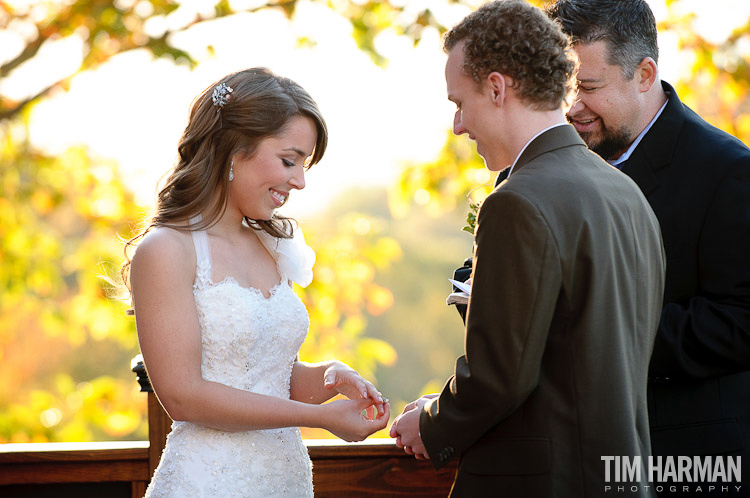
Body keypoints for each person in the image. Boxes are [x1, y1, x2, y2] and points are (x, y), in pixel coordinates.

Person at [390, 1, 666, 496]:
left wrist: (432, 424)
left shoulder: (517, 201)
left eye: (459, 103)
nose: (457, 124)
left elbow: (501, 377)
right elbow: (572, 359)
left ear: (497, 88)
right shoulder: (626, 193)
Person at [121, 67, 389, 497]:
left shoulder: (270, 243)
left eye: (303, 166)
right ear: (233, 149)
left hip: (284, 480)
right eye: (288, 161)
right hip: (208, 483)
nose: (299, 181)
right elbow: (184, 396)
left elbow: (265, 375)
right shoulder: (166, 250)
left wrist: (330, 379)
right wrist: (320, 419)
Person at [547, 0, 750, 494]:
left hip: (684, 464)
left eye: (589, 87)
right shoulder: (537, 164)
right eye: (563, 88)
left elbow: (740, 320)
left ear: (645, 74)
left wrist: (592, 334)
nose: (572, 106)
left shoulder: (727, 171)